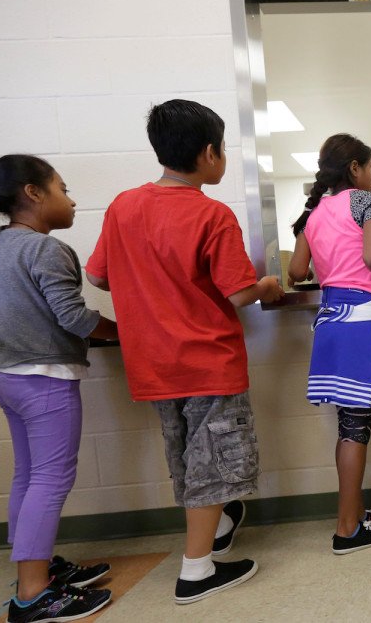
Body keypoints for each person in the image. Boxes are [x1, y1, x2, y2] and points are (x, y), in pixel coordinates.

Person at [85, 100, 284, 604]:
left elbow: (98, 276)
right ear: (209, 153)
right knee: (214, 466)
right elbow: (239, 294)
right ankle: (196, 572)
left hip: (152, 363)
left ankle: (217, 533)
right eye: (224, 149)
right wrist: (267, 285)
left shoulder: (123, 206)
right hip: (206, 361)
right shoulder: (212, 214)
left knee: (187, 460)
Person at [0, 155, 118, 622]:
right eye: (63, 189)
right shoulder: (45, 249)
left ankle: (36, 567)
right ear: (33, 193)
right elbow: (73, 317)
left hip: (9, 378)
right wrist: (128, 332)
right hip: (45, 381)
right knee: (50, 481)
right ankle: (32, 594)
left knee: (29, 476)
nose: (72, 201)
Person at [287, 133, 371, 554]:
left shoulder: (314, 213)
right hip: (362, 324)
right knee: (357, 428)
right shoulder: (367, 202)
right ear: (355, 168)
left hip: (331, 323)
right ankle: (347, 528)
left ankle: (355, 512)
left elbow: (296, 272)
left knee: (348, 425)